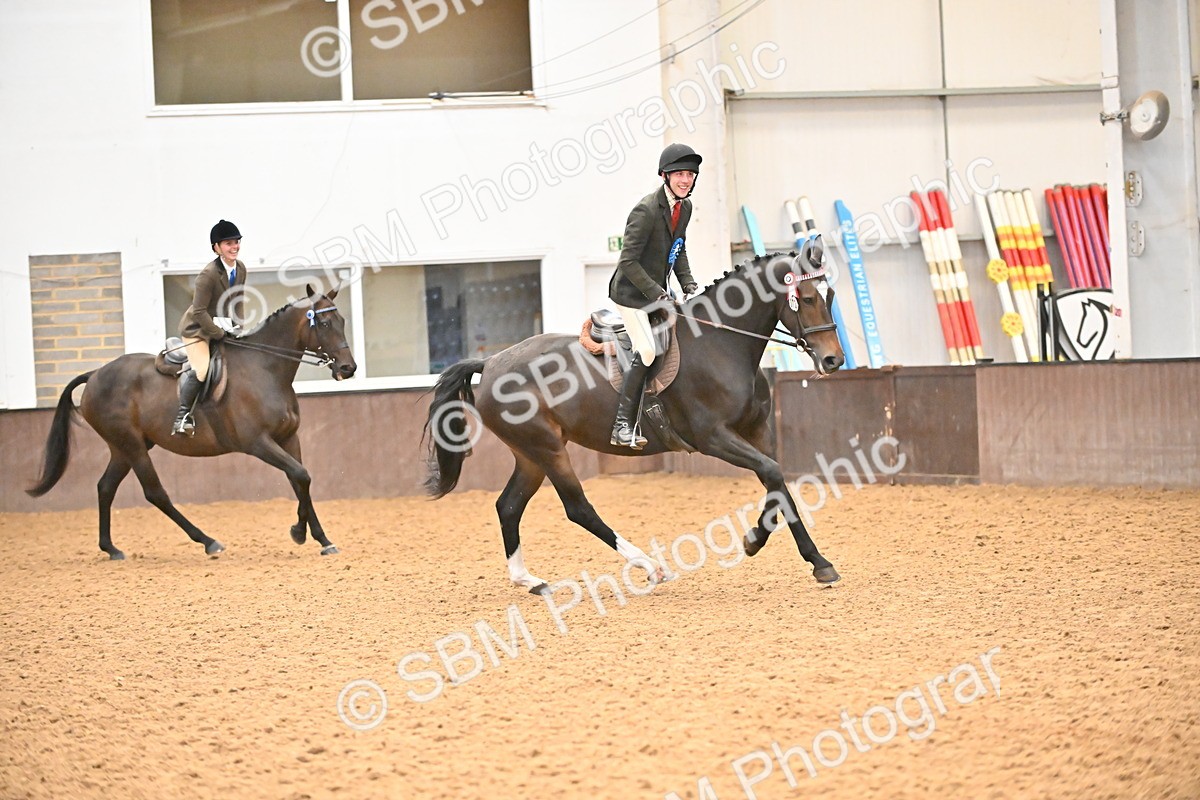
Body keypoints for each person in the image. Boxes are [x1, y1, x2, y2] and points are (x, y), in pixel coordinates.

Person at [607, 143, 702, 449]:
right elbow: (628, 262)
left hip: (656, 295)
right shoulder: (646, 210)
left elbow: (679, 248)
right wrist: (658, 293)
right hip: (631, 296)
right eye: (679, 174)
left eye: (690, 174)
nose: (685, 180)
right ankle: (623, 425)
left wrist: (688, 283)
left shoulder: (684, 208)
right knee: (647, 351)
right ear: (665, 175)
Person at [172, 219, 246, 435]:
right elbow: (199, 311)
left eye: (236, 242)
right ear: (217, 247)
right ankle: (182, 417)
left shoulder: (240, 268)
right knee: (202, 369)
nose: (234, 247)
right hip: (198, 330)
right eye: (228, 244)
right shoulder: (208, 274)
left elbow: (238, 301)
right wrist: (219, 333)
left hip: (222, 326)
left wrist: (239, 328)